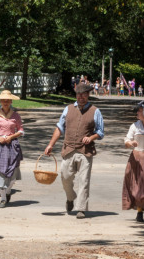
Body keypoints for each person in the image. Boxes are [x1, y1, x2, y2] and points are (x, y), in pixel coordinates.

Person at [44, 83, 104, 219]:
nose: (81, 97)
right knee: (65, 177)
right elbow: (59, 128)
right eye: (78, 94)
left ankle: (81, 208)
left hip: (85, 151)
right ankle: (70, 197)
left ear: (88, 95)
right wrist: (50, 145)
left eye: (83, 94)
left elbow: (100, 132)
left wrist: (91, 137)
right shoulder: (68, 109)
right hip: (68, 148)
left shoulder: (95, 111)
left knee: (84, 180)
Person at [0, 90, 24, 208]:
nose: (5, 102)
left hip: (12, 145)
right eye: (3, 100)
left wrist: (12, 137)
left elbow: (21, 130)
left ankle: (8, 191)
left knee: (13, 172)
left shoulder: (15, 115)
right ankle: (3, 198)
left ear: (11, 101)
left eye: (8, 100)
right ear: (0, 101)